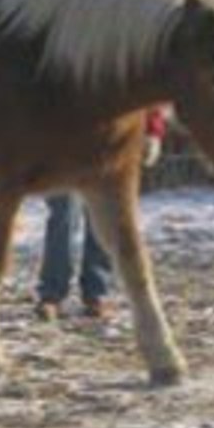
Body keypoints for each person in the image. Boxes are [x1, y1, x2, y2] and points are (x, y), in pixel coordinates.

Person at [34, 107, 168, 321]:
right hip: (62, 136)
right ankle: (52, 294)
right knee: (62, 216)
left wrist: (153, 130)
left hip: (109, 138)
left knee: (104, 215)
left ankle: (97, 292)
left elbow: (146, 83)